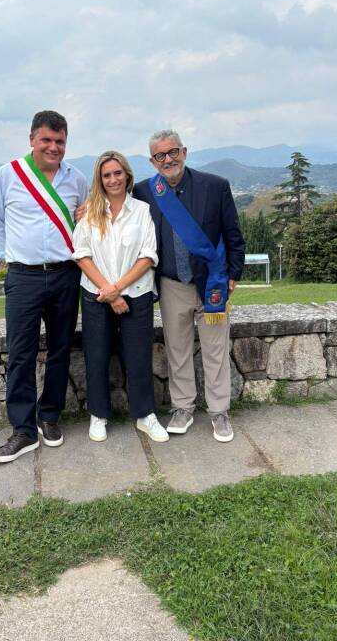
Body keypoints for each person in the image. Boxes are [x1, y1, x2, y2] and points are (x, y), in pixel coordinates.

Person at [0, 110, 89, 463]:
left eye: (60, 141)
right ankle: (23, 430)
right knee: (21, 353)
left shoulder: (77, 180)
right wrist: (12, 256)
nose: (53, 147)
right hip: (24, 277)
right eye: (46, 140)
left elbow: (85, 221)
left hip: (65, 274)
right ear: (32, 139)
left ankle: (50, 416)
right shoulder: (7, 175)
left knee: (60, 349)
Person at [133, 131, 245, 442]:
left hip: (212, 284)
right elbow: (112, 205)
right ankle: (182, 407)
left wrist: (233, 273)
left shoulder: (215, 186)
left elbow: (233, 233)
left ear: (185, 151)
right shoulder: (144, 191)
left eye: (173, 152)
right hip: (171, 285)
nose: (168, 159)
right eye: (160, 155)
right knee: (177, 350)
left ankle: (219, 412)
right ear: (152, 161)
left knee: (216, 350)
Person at [72, 151, 169, 443]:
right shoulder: (89, 213)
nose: (113, 179)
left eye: (117, 173)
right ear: (99, 180)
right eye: (106, 175)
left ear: (127, 175)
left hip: (136, 295)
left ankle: (144, 415)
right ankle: (98, 414)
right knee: (97, 354)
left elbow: (148, 255)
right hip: (96, 296)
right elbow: (81, 254)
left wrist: (119, 288)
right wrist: (109, 291)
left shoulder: (141, 210)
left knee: (139, 357)